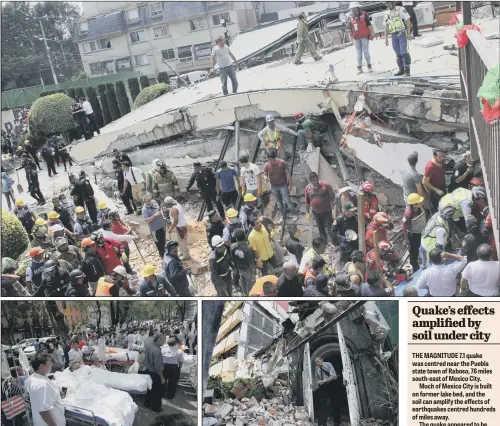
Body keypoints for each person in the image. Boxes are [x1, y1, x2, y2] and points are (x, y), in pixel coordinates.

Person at [25, 352, 66, 426]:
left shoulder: (31, 379)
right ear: (42, 366)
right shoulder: (43, 385)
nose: (51, 364)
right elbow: (44, 412)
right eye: (49, 362)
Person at [305, 172, 336, 244]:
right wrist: (307, 213)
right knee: (321, 229)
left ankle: (334, 243)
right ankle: (324, 243)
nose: (316, 182)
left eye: (316, 179)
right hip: (316, 213)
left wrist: (333, 207)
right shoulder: (308, 189)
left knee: (330, 228)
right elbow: (307, 201)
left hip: (327, 212)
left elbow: (332, 196)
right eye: (313, 180)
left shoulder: (325, 185)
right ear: (310, 181)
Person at [264, 148, 296, 216]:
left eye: (271, 159)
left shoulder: (282, 163)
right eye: (269, 159)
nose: (270, 161)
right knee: (278, 202)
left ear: (275, 157)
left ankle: (293, 213)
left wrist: (290, 185)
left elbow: (288, 174)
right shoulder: (267, 165)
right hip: (274, 186)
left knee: (287, 200)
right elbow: (265, 174)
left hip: (283, 185)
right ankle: (283, 214)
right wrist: (265, 177)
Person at [384, 1, 412, 76]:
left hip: (402, 33)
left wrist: (409, 33)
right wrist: (386, 38)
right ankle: (401, 69)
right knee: (398, 53)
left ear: (393, 3)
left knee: (404, 51)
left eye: (389, 3)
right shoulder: (387, 13)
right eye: (386, 4)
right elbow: (386, 26)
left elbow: (408, 20)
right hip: (393, 35)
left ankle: (407, 69)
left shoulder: (401, 9)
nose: (388, 5)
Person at [347, 2, 375, 74]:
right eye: (353, 8)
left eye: (356, 8)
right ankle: (359, 68)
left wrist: (372, 33)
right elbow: (349, 28)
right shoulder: (350, 16)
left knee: (366, 52)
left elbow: (369, 24)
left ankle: (369, 66)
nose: (355, 9)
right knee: (358, 53)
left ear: (358, 8)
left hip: (364, 36)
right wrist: (351, 36)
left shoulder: (364, 14)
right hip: (356, 37)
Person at [402, 193, 426, 272]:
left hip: (423, 232)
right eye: (418, 203)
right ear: (413, 205)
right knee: (414, 252)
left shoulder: (421, 208)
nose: (421, 203)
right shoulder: (408, 214)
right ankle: (415, 268)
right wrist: (406, 239)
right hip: (414, 235)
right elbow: (404, 227)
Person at [314, 357, 341, 426]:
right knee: (322, 403)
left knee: (335, 403)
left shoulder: (328, 364)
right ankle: (322, 423)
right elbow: (317, 377)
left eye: (318, 361)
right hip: (323, 387)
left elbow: (334, 376)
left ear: (322, 360)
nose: (317, 363)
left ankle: (337, 422)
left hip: (332, 385)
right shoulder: (317, 368)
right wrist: (319, 381)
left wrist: (326, 380)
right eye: (316, 362)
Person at [144, 333, 167, 414]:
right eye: (164, 340)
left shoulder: (149, 347)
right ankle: (156, 408)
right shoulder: (157, 351)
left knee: (149, 390)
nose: (165, 342)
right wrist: (162, 377)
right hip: (155, 373)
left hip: (148, 371)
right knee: (157, 393)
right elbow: (157, 366)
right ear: (159, 339)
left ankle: (147, 404)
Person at [230, 228, 256, 296]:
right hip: (248, 270)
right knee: (250, 285)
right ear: (245, 236)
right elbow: (252, 263)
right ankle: (250, 296)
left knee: (242, 281)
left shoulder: (232, 247)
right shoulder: (248, 248)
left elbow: (233, 259)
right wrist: (253, 274)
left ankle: (245, 294)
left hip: (240, 269)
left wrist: (236, 269)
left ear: (236, 238)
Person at [142, 194, 167, 258]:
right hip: (155, 229)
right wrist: (154, 215)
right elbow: (146, 221)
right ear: (144, 202)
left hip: (162, 225)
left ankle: (166, 253)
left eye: (149, 201)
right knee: (159, 243)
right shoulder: (144, 210)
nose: (149, 202)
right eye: (147, 201)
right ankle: (162, 255)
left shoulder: (154, 202)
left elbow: (159, 208)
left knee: (164, 240)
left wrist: (162, 210)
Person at [423, 148, 446, 214]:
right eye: (440, 157)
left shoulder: (442, 162)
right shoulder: (430, 167)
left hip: (443, 188)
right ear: (434, 156)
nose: (442, 158)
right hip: (435, 192)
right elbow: (425, 182)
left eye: (443, 156)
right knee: (437, 210)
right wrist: (437, 190)